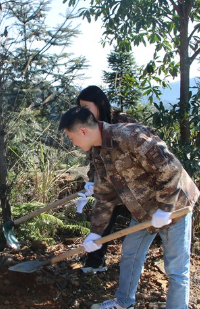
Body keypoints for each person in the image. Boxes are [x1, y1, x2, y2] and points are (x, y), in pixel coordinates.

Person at [59, 106, 199, 309]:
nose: (73, 143)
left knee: (176, 269)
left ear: (83, 131)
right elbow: (105, 196)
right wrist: (96, 234)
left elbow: (172, 168)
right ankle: (124, 302)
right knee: (130, 254)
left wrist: (165, 208)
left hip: (176, 205)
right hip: (143, 210)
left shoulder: (131, 135)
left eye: (71, 138)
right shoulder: (98, 153)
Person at [74, 85, 138, 274]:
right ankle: (95, 262)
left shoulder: (122, 121)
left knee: (141, 223)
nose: (82, 112)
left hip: (135, 183)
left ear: (99, 104)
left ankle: (135, 265)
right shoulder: (91, 127)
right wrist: (91, 181)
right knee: (103, 217)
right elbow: (93, 157)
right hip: (111, 184)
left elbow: (144, 148)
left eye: (86, 107)